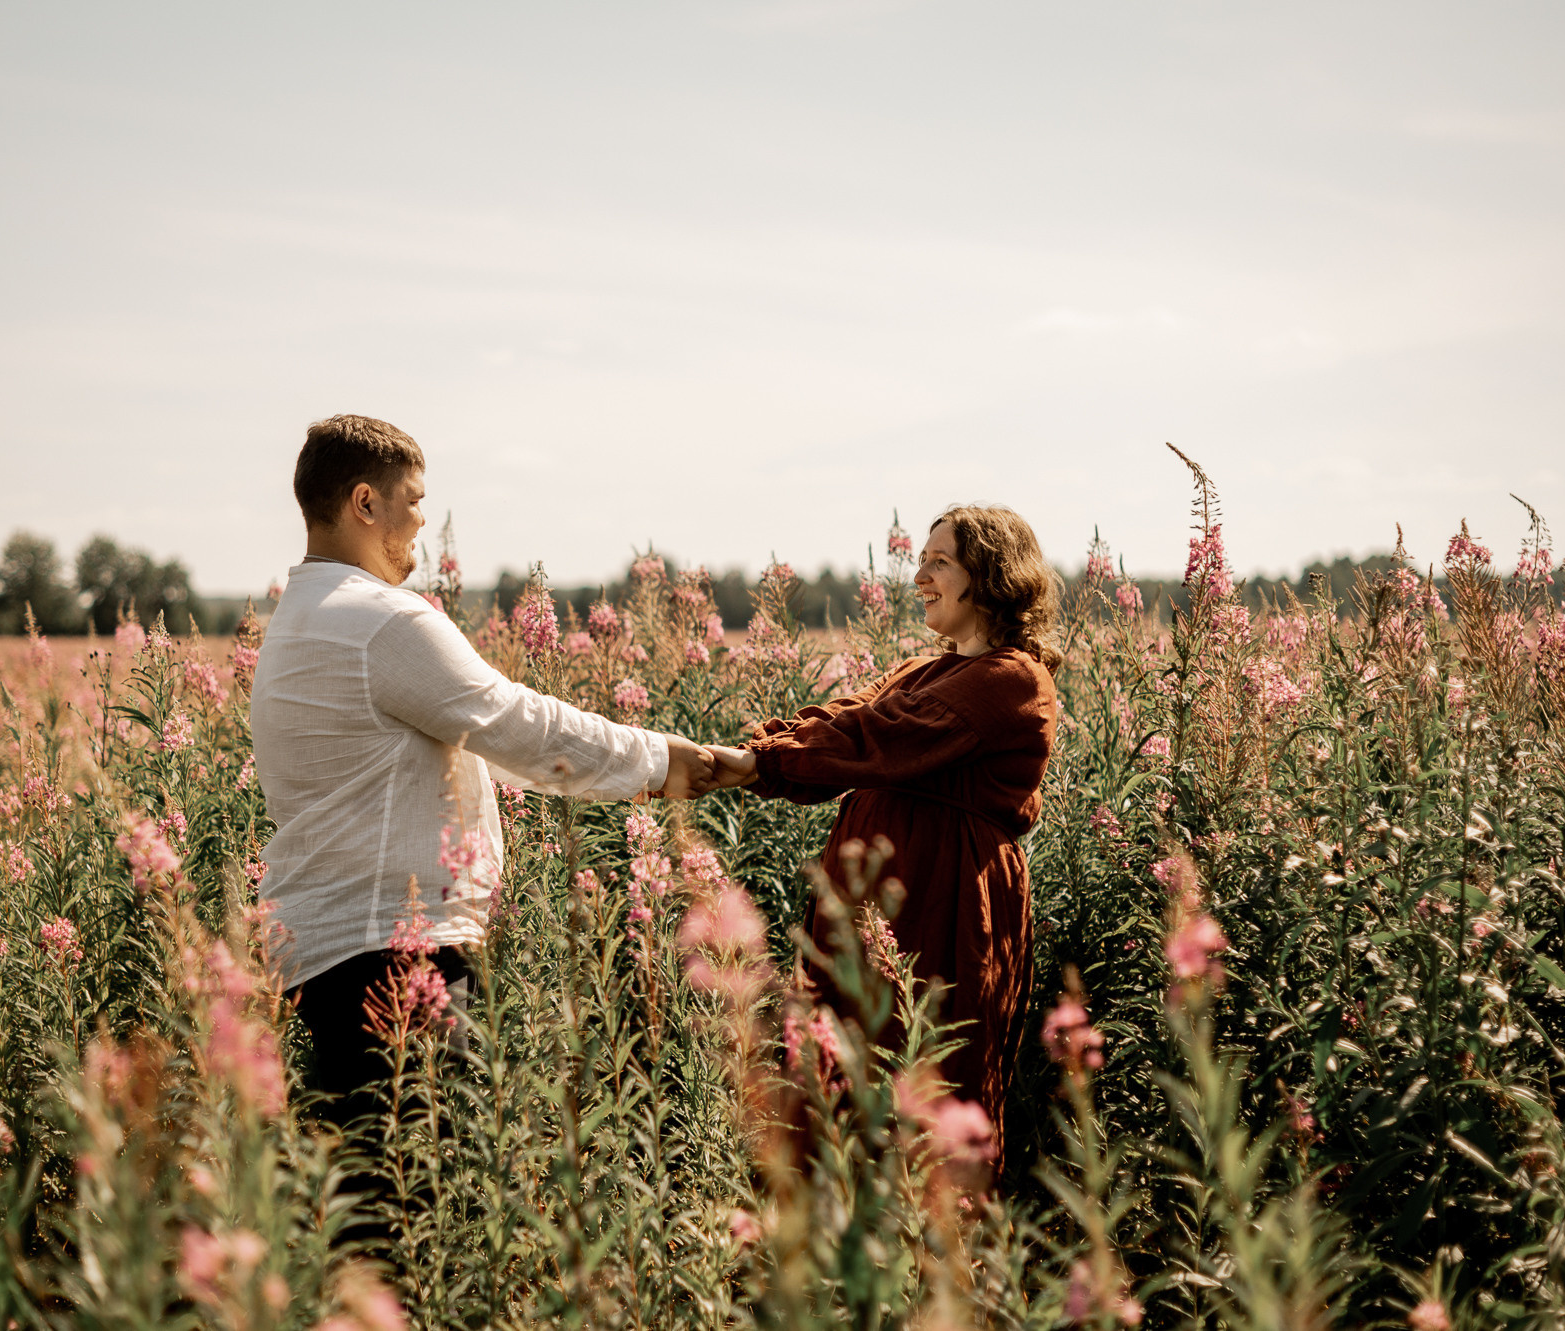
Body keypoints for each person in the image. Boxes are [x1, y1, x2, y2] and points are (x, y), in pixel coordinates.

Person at [249, 414, 715, 1134]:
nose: (423, 521)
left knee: (368, 1197)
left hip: (321, 957)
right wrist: (668, 763)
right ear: (365, 503)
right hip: (397, 957)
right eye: (414, 499)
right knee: (422, 1192)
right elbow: (521, 728)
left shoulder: (297, 620)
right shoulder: (384, 621)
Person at [702, 504, 1061, 1144]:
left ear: (991, 574)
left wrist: (758, 759)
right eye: (920, 560)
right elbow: (852, 716)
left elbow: (880, 737)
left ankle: (931, 1241)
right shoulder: (924, 670)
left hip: (943, 900)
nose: (919, 575)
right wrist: (751, 761)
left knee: (925, 1078)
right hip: (872, 907)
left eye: (940, 562)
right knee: (835, 1076)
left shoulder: (1011, 678)